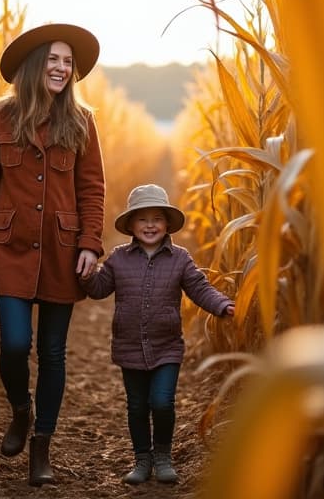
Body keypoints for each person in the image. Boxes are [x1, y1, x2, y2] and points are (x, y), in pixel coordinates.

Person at [0, 23, 105, 486]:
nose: (62, 69)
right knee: (12, 345)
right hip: (8, 248)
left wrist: (89, 244)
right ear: (34, 66)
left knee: (52, 353)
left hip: (63, 253)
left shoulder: (82, 122)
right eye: (54, 60)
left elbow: (92, 189)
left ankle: (40, 449)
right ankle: (21, 411)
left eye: (68, 62)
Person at [81, 184, 234, 485]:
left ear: (166, 224)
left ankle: (163, 455)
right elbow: (99, 289)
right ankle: (142, 459)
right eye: (142, 219)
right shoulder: (118, 258)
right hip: (129, 346)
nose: (150, 225)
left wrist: (222, 305)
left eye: (157, 219)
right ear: (131, 225)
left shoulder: (180, 258)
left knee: (162, 402)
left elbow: (199, 288)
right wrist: (86, 275)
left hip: (167, 346)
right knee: (137, 405)